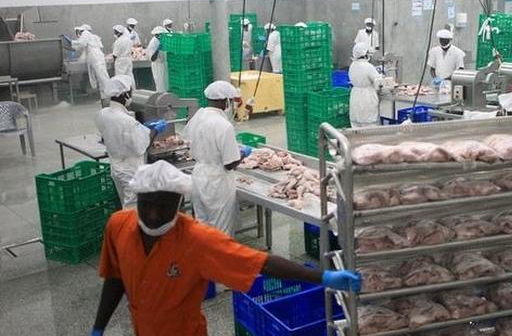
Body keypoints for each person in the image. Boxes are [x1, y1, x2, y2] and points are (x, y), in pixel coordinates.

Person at [90, 160, 360, 336]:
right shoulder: (118, 225)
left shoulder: (197, 240)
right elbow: (115, 277)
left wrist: (323, 277)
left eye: (163, 206)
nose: (152, 215)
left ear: (180, 202)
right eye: (146, 204)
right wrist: (99, 327)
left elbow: (262, 262)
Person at [182, 81, 251, 236]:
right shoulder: (223, 125)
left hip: (199, 175)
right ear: (224, 100)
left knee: (202, 226)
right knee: (221, 231)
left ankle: (203, 259)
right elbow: (229, 164)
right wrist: (243, 154)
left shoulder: (198, 117)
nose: (231, 104)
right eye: (231, 100)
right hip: (217, 182)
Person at [94, 75, 166, 208]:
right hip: (131, 170)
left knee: (124, 203)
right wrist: (155, 130)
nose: (131, 95)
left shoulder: (102, 114)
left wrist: (142, 129)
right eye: (130, 92)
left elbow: (116, 133)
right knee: (133, 208)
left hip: (116, 167)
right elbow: (141, 146)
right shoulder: (127, 121)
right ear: (124, 95)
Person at [72, 26, 112, 106]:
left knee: (103, 79)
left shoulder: (85, 34)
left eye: (77, 32)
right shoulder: (92, 36)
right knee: (101, 79)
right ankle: (105, 99)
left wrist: (71, 42)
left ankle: (111, 98)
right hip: (97, 58)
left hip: (96, 58)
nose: (77, 34)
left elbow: (81, 44)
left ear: (80, 31)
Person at [349, 42, 383, 128]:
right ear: (365, 53)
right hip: (367, 98)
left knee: (356, 128)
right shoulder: (368, 66)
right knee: (369, 127)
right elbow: (379, 83)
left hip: (355, 96)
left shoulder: (352, 65)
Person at [148, 26, 168, 92]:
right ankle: (161, 98)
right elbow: (152, 58)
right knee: (160, 84)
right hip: (157, 65)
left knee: (165, 83)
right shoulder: (153, 43)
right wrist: (158, 49)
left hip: (164, 64)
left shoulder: (163, 41)